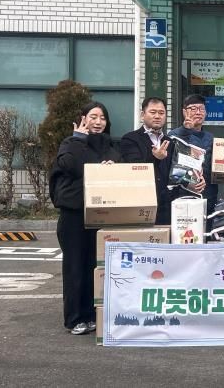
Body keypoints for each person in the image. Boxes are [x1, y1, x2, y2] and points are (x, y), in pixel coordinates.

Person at [48, 101, 121, 335]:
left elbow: (121, 172)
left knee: (94, 266)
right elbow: (70, 165)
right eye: (93, 117)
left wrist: (112, 167)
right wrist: (78, 139)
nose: (98, 122)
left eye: (102, 118)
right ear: (83, 119)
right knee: (75, 267)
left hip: (101, 215)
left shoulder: (111, 146)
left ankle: (91, 314)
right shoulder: (71, 143)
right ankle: (74, 318)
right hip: (74, 215)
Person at [120, 97, 175, 225]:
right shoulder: (130, 139)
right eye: (153, 112)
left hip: (166, 206)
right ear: (142, 115)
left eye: (161, 113)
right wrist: (155, 158)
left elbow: (175, 171)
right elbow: (133, 169)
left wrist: (192, 180)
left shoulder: (170, 141)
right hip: (141, 203)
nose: (157, 116)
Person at [168, 94, 212, 212]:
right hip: (182, 196)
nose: (198, 112)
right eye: (193, 109)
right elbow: (173, 167)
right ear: (184, 112)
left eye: (201, 109)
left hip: (208, 194)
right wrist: (193, 180)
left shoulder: (210, 138)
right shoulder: (174, 136)